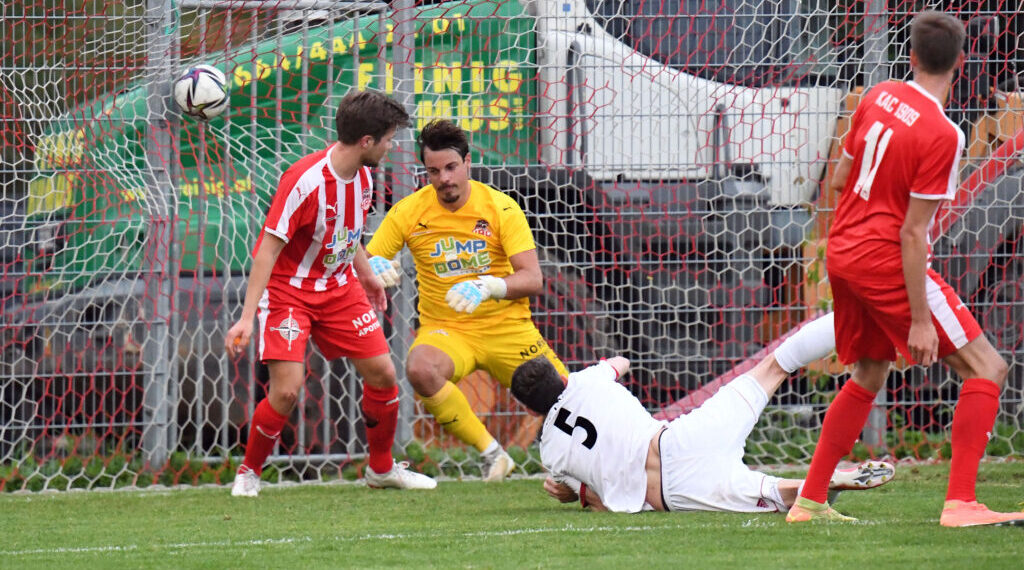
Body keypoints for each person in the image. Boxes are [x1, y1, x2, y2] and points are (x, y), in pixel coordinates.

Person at [787, 11, 1022, 527]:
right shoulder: (944, 134)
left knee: (870, 370)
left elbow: (841, 177)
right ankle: (961, 503)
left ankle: (809, 500)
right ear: (961, 63)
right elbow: (913, 233)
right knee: (988, 367)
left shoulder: (877, 95)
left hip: (843, 253)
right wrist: (919, 320)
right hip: (885, 261)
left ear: (910, 56)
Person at [224, 90, 436, 496]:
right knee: (287, 390)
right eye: (388, 140)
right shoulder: (304, 181)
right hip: (289, 293)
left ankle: (381, 469)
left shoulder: (364, 177)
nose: (391, 147)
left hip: (339, 288)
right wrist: (247, 318)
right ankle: (249, 471)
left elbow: (348, 236)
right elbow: (268, 248)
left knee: (383, 375)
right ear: (366, 141)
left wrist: (367, 277)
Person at [509, 313, 896, 514]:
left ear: (530, 409)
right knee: (775, 366)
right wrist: (601, 371)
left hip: (672, 494)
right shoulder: (586, 380)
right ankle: (855, 316)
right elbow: (621, 362)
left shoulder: (551, 454)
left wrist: (570, 492)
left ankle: (813, 485)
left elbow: (597, 500)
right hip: (680, 439)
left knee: (768, 493)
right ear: (559, 375)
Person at [365, 119, 569, 481]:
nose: (444, 179)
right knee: (420, 368)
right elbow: (366, 260)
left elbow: (532, 278)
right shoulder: (409, 212)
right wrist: (373, 267)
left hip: (507, 328)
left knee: (567, 401)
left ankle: (588, 466)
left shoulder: (500, 208)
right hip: (448, 329)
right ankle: (493, 454)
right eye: (434, 171)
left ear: (468, 162)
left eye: (451, 167)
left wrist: (489, 287)